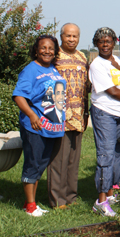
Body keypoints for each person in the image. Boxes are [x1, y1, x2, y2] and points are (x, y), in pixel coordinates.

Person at [13, 35, 66, 216]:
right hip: (35, 126)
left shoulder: (52, 69)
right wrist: (31, 115)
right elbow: (19, 96)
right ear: (36, 49)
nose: (47, 51)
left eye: (51, 48)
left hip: (51, 127)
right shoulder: (30, 70)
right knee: (32, 164)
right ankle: (30, 206)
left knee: (40, 165)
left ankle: (32, 204)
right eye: (43, 48)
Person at [88, 27, 120, 217]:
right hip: (104, 113)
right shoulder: (97, 64)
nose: (105, 44)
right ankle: (101, 200)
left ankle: (112, 193)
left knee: (118, 157)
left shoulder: (119, 62)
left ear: (115, 42)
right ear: (96, 44)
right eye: (101, 41)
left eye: (108, 41)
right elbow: (112, 91)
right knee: (106, 156)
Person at [47, 23, 89, 209]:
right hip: (59, 115)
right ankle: (57, 199)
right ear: (61, 36)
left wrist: (86, 112)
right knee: (58, 159)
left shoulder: (82, 57)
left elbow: (86, 87)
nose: (71, 39)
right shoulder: (54, 56)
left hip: (78, 115)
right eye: (68, 36)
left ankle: (70, 196)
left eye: (75, 36)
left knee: (73, 159)